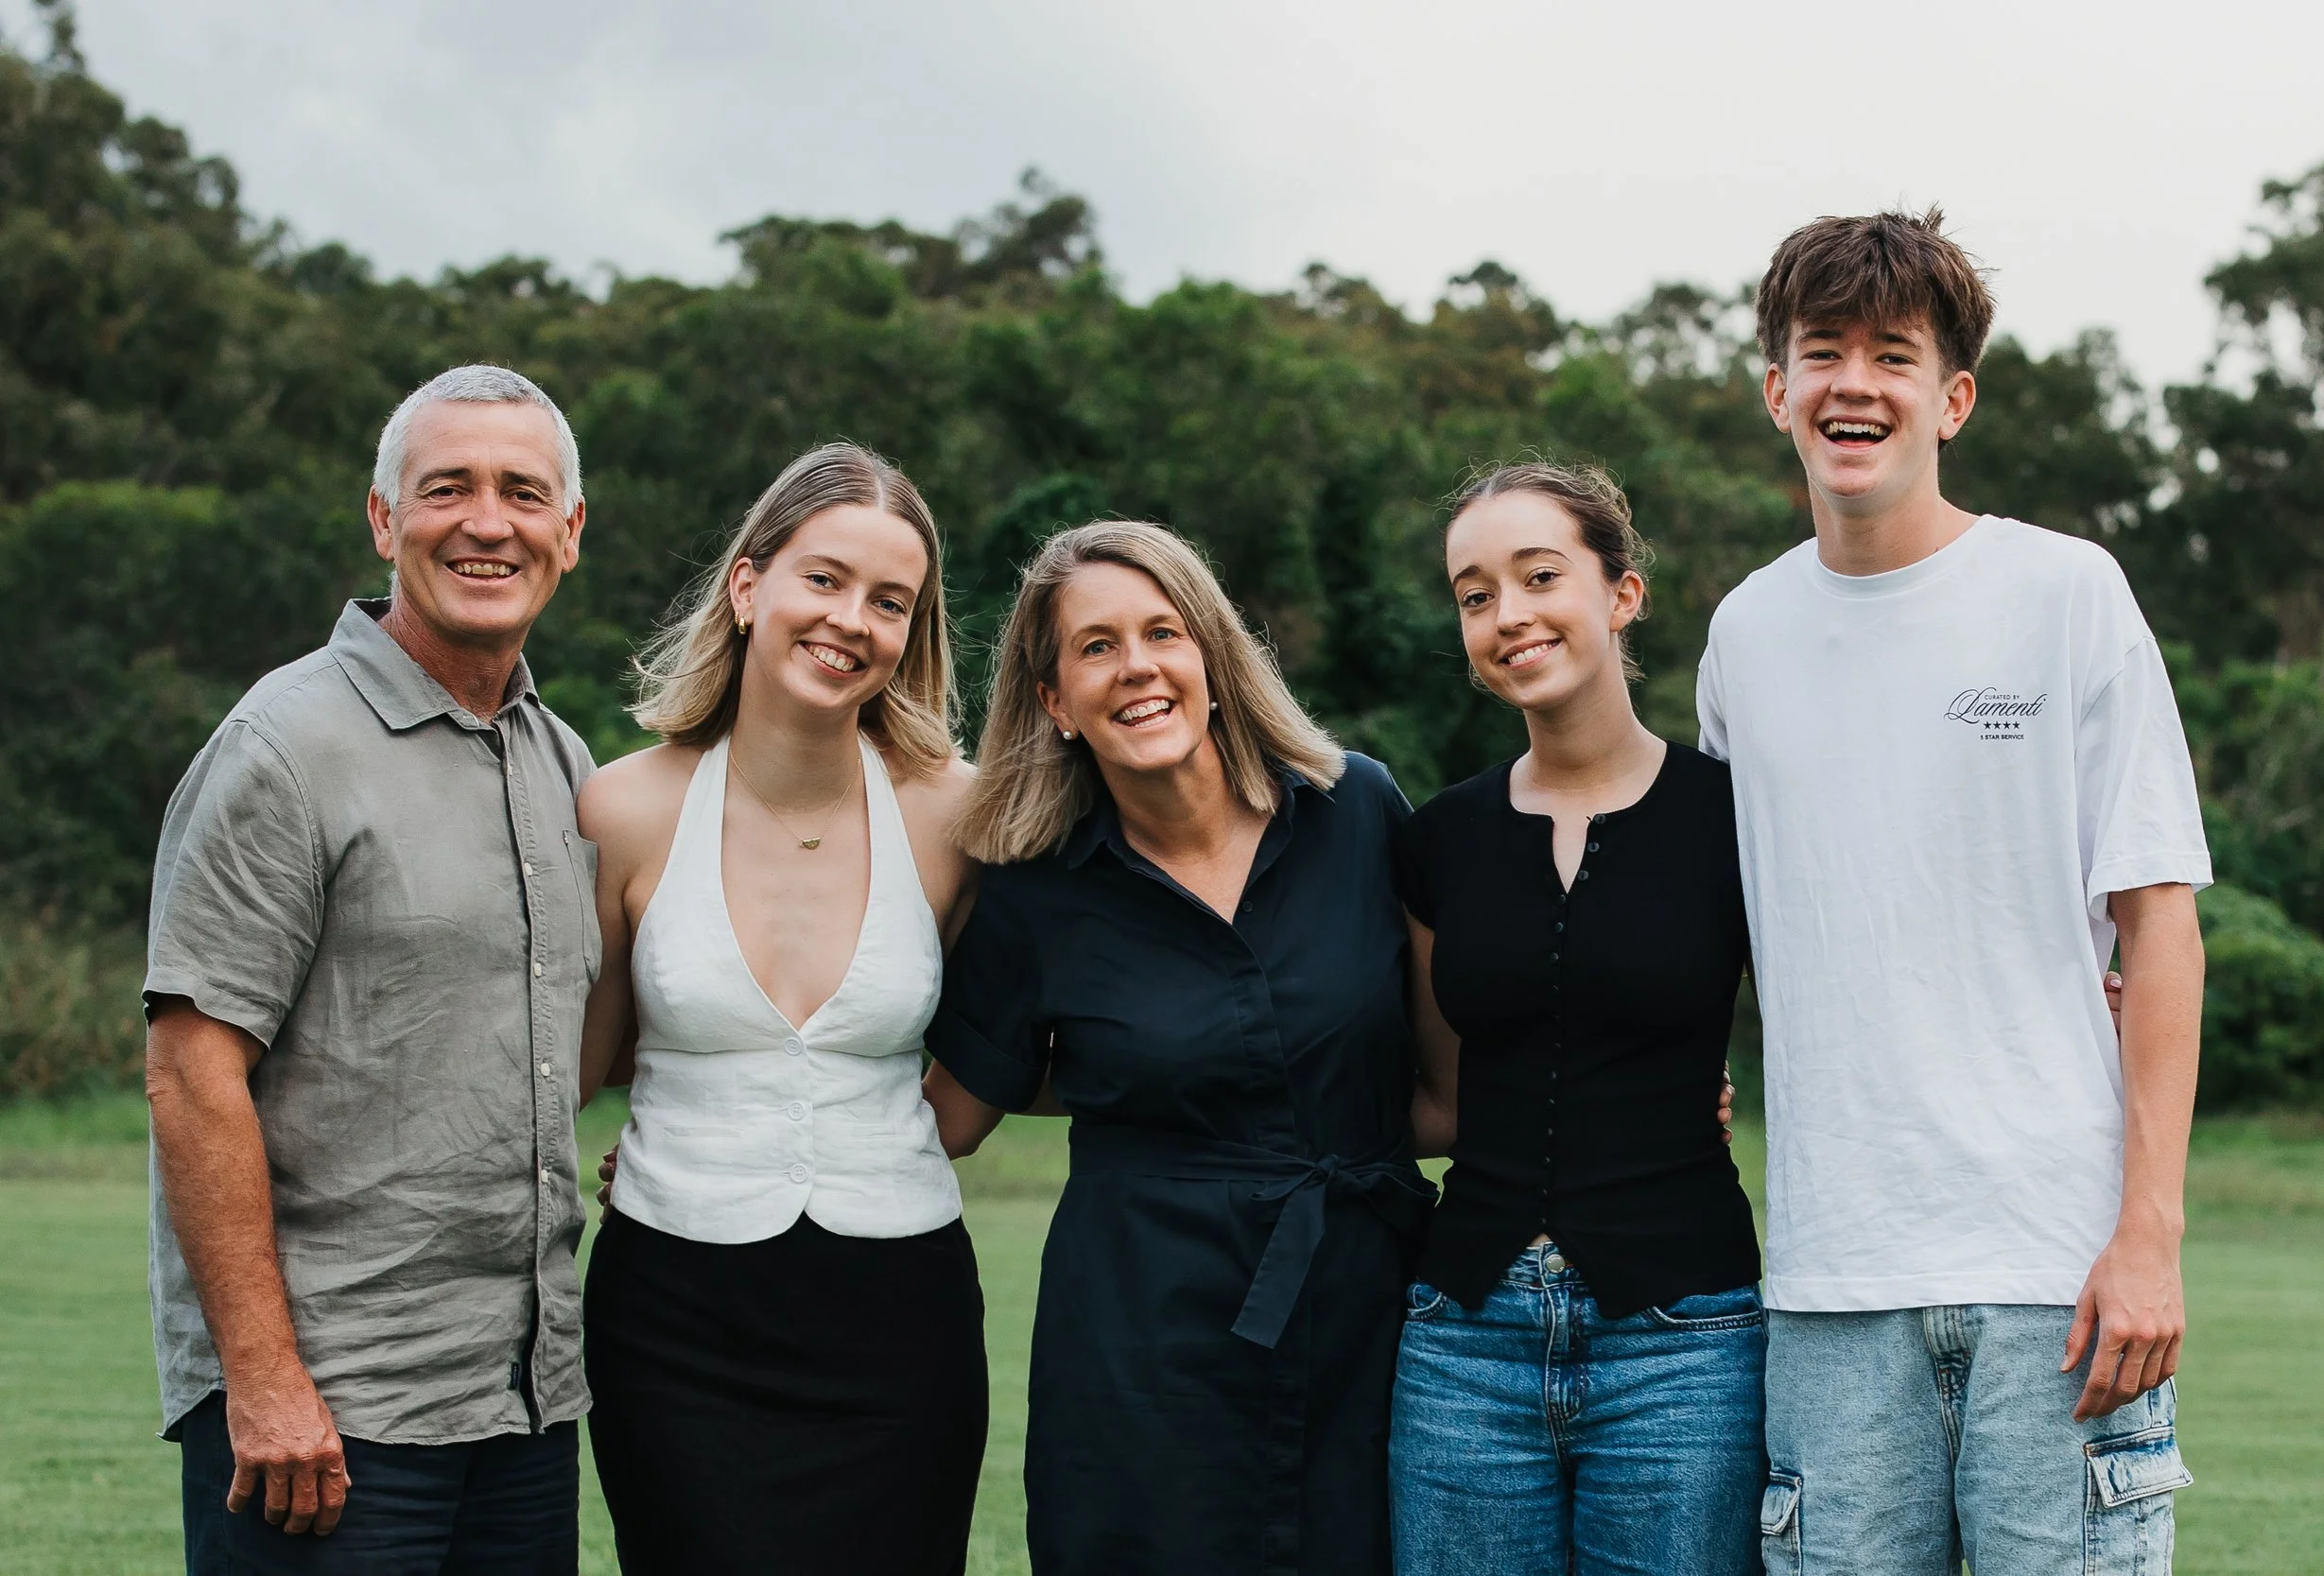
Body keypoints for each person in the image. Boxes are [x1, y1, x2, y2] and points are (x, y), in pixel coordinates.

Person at [1697, 210, 2211, 1572]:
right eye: (1821, 353)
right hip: (1829, 1286)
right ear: (1776, 391)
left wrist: (2147, 1235)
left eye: (1893, 354)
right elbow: (1722, 929)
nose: (1852, 382)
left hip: (2062, 1274)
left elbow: (2160, 926)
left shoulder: (2066, 592)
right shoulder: (1743, 634)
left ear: (1952, 397)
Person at [144, 364, 595, 1572]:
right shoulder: (286, 746)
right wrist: (265, 1379)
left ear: (570, 530)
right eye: (446, 487)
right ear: (385, 520)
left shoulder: (561, 761)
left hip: (522, 1406)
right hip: (327, 1422)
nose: (487, 521)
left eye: (521, 491)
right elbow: (192, 1073)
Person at [921, 521, 1433, 1576]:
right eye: (1096, 645)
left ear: (1212, 656)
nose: (1138, 665)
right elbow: (951, 1115)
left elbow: (1457, 1071)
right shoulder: (1032, 885)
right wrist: (715, 1127)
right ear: (1056, 701)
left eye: (1163, 631)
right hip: (1136, 1348)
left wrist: (1646, 1086)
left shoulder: (1360, 811)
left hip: (1369, 1317)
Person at [574, 442, 987, 1575]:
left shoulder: (960, 813)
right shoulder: (621, 806)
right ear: (749, 586)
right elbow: (587, 1059)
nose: (851, 619)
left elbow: (1013, 1035)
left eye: (889, 600)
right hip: (672, 1319)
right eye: (825, 578)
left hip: (902, 1320)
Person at [1387, 461, 1766, 1574]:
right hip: (1462, 1343)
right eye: (1473, 593)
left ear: (1622, 593)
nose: (1508, 613)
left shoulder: (1734, 818)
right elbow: (1442, 1098)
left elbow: (1855, 1003)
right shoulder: (1437, 838)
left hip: (1683, 1343)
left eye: (1538, 574)